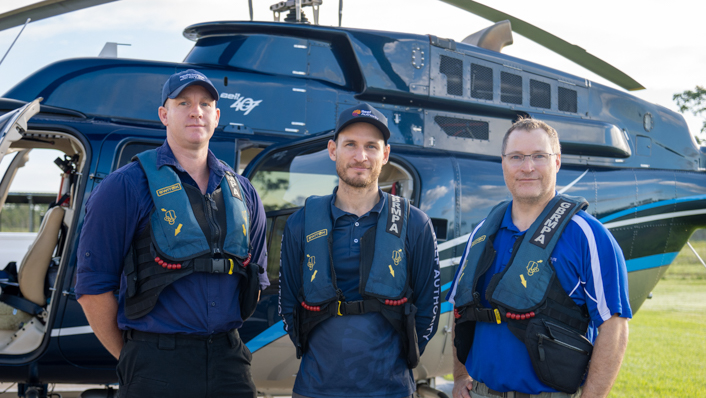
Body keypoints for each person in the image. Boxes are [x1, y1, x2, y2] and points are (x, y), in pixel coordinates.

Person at [75, 69, 268, 398]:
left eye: (205, 104)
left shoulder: (244, 192)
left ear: (216, 116)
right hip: (155, 364)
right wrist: (133, 358)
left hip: (228, 362)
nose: (196, 111)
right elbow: (92, 288)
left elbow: (255, 280)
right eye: (183, 103)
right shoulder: (125, 186)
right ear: (164, 114)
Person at [447, 118, 631, 398]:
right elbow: (461, 310)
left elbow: (614, 326)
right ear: (504, 163)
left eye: (539, 157)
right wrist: (460, 376)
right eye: (517, 157)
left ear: (557, 162)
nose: (527, 167)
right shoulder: (482, 234)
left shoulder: (587, 235)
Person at [278, 103, 440, 398]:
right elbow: (289, 303)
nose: (360, 156)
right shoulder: (301, 223)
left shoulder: (415, 224)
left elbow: (428, 310)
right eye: (350, 144)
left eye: (371, 146)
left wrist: (396, 362)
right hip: (315, 389)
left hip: (390, 390)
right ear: (332, 150)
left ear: (385, 154)